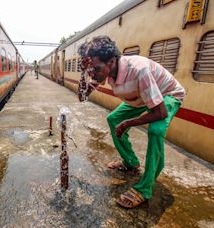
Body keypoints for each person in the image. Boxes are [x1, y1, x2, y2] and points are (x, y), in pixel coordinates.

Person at [78, 36, 185, 208]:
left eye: (95, 69)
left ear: (111, 62)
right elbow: (82, 97)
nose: (93, 74)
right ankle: (131, 163)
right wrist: (84, 73)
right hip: (142, 97)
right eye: (89, 69)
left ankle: (145, 188)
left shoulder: (138, 70)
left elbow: (160, 112)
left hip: (166, 96)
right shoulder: (102, 70)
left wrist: (128, 123)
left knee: (156, 130)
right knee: (113, 119)